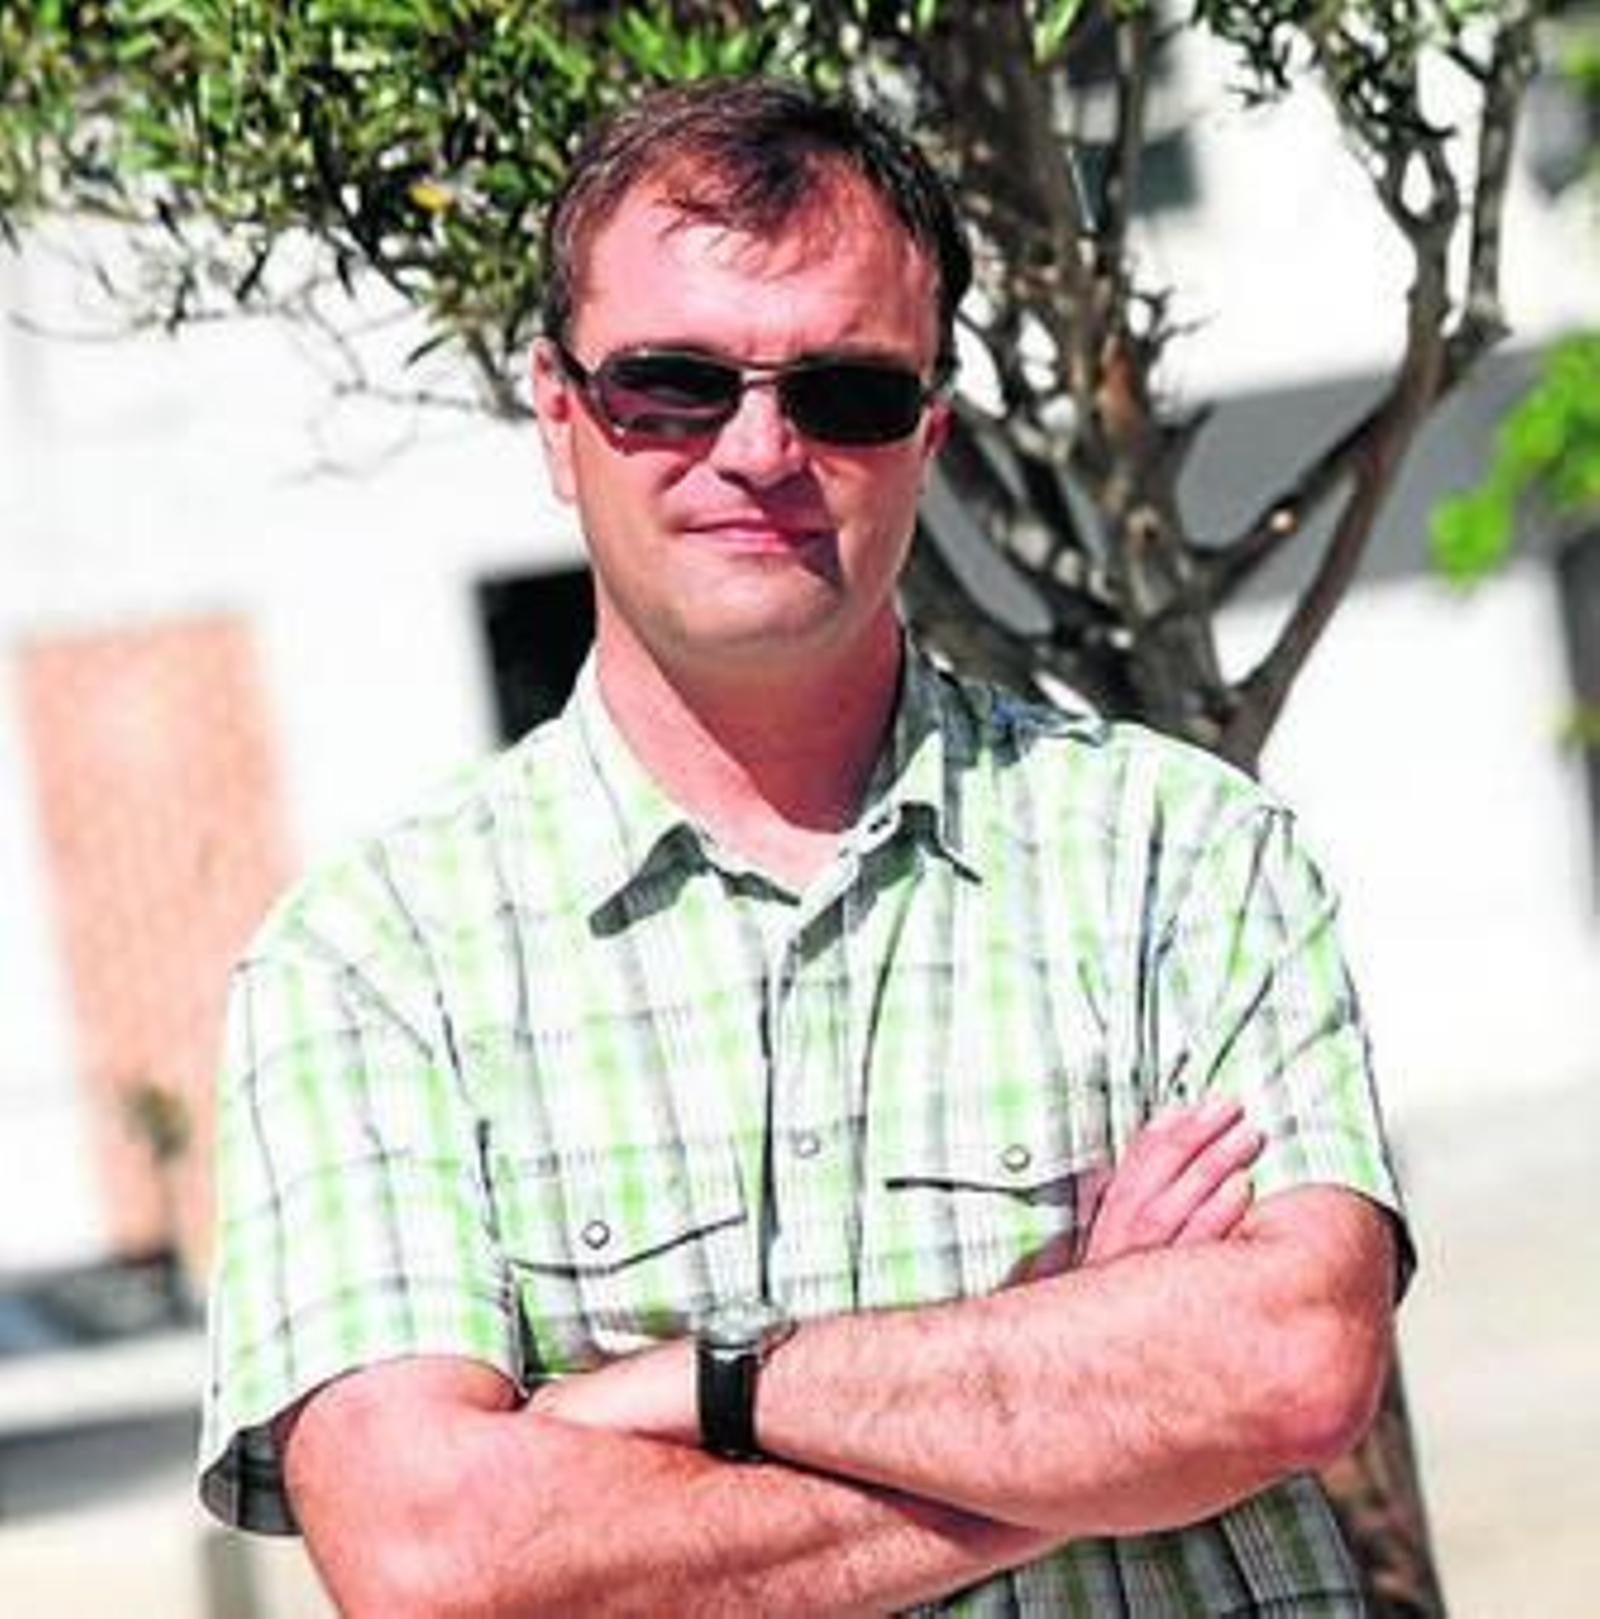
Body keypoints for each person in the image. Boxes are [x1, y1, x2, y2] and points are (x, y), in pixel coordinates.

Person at [199, 76, 1410, 1615]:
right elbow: (436, 1556)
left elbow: (1291, 1365)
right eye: (673, 384)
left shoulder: (1184, 855)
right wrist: (1089, 1436)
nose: (761, 447)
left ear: (928, 435)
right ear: (560, 417)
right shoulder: (373, 964)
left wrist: (709, 1386)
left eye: (845, 392)